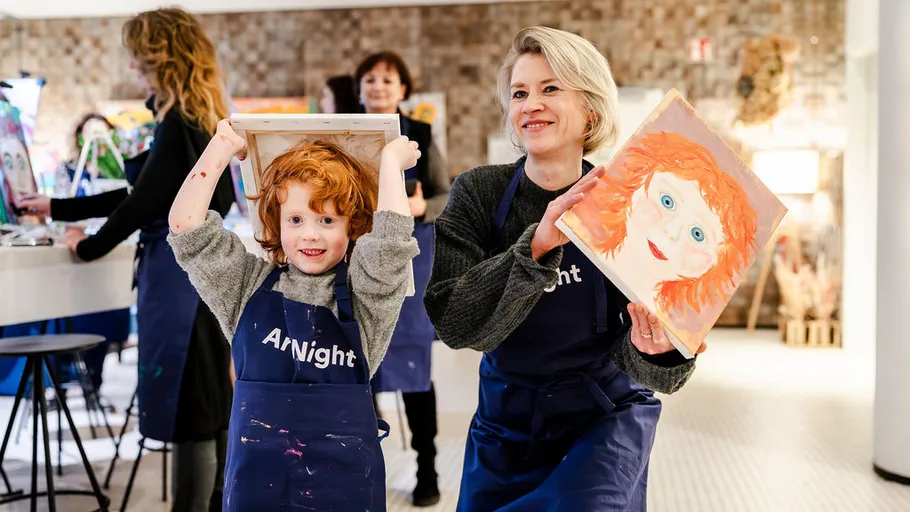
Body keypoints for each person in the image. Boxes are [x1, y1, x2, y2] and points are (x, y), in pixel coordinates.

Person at [423, 26, 706, 511]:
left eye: (550, 89)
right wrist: (537, 244)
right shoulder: (478, 193)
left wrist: (659, 351)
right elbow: (453, 321)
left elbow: (662, 373)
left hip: (601, 420)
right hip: (505, 422)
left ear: (591, 108)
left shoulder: (631, 202)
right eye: (519, 93)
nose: (531, 103)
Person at [18, 8, 235, 511]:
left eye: (140, 60)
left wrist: (89, 245)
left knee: (192, 411)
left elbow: (140, 205)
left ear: (164, 59)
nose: (135, 69)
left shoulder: (179, 123)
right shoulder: (199, 119)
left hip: (183, 277)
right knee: (210, 404)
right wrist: (58, 207)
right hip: (199, 272)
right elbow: (143, 191)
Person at [166, 119, 420, 510]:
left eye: (328, 220)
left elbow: (389, 245)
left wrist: (389, 164)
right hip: (257, 483)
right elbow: (187, 228)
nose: (310, 235)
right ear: (275, 223)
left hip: (343, 485)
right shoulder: (245, 287)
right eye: (296, 220)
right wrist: (219, 150)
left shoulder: (367, 294)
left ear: (353, 227)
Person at [355, 49, 450, 507]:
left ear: (403, 90)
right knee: (356, 365)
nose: (377, 87)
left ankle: (427, 469)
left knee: (413, 367)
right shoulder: (343, 132)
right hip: (352, 263)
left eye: (387, 80)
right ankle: (363, 468)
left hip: (410, 263)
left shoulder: (423, 133)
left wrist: (420, 208)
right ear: (359, 89)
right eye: (370, 79)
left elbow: (446, 195)